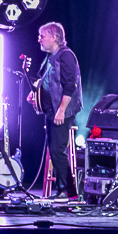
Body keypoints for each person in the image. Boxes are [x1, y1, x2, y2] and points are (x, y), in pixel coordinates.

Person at [34, 21, 82, 199]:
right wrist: (35, 94)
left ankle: (68, 192)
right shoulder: (50, 56)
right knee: (54, 150)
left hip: (62, 111)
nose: (39, 39)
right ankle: (65, 191)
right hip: (51, 110)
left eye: (42, 36)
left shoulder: (66, 55)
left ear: (54, 37)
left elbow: (71, 85)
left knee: (57, 150)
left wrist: (61, 110)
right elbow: (44, 80)